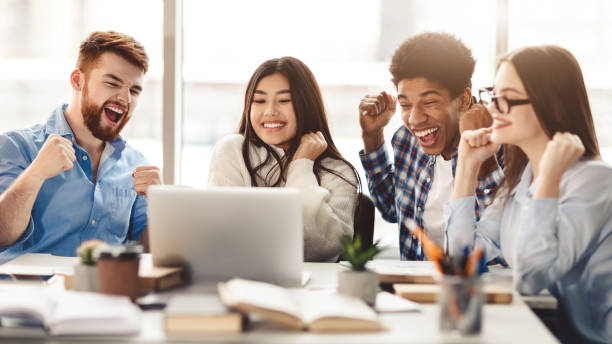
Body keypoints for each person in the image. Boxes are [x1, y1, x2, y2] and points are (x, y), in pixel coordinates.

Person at [446, 45, 611, 343]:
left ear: (554, 105)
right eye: (493, 95)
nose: (492, 109)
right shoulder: (521, 179)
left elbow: (532, 278)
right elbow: (462, 263)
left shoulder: (595, 181)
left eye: (506, 98)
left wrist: (548, 180)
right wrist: (467, 169)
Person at [0, 31, 162, 264]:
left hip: (105, 294)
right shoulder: (16, 147)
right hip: (31, 295)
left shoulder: (136, 165)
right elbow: (3, 234)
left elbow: (147, 257)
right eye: (112, 83)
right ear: (78, 81)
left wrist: (160, 206)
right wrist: (35, 175)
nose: (125, 99)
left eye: (134, 91)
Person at [358, 32, 503, 260]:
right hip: (415, 285)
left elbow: (506, 243)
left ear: (464, 99)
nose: (415, 119)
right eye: (405, 104)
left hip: (477, 287)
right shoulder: (406, 141)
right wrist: (372, 135)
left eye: (430, 102)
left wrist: (481, 157)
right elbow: (390, 209)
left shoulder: (500, 146)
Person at [208, 56, 359, 262]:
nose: (270, 111)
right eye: (259, 101)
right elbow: (224, 236)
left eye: (284, 101)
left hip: (312, 287)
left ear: (306, 104)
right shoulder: (232, 150)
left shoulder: (338, 171)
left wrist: (302, 167)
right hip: (241, 280)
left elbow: (320, 250)